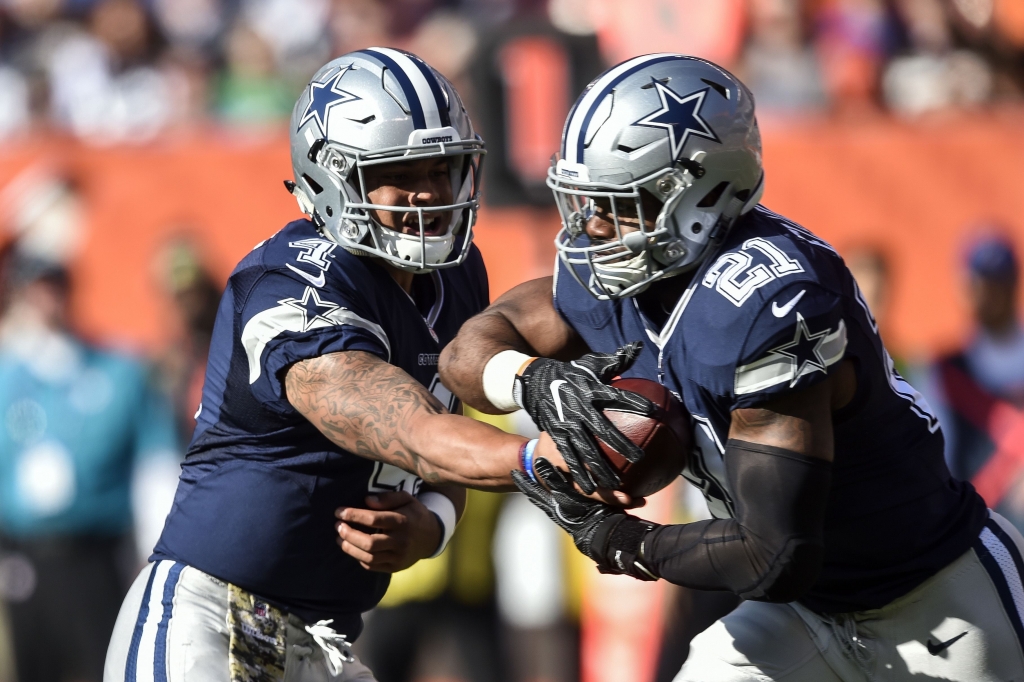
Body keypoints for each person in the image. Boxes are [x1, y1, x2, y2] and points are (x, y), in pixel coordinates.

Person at [439, 53, 1024, 681]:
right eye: (586, 202)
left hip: (932, 603)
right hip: (803, 612)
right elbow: (466, 351)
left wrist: (625, 542)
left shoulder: (767, 301)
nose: (594, 226)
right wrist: (529, 380)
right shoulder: (616, 275)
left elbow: (776, 551)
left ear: (702, 191)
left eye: (620, 202)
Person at [102, 48, 604, 682]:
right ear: (334, 180)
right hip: (211, 619)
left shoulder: (456, 273)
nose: (433, 193)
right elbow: (412, 431)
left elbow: (446, 440)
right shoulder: (292, 279)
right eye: (404, 173)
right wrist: (549, 460)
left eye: (444, 170)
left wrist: (436, 525)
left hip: (326, 642)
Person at [0, 248, 179, 682]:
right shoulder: (9, 377)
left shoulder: (118, 370)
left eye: (53, 287)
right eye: (35, 289)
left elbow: (155, 465)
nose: (46, 300)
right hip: (26, 558)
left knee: (103, 665)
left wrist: (160, 555)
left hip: (97, 554)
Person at [928, 235, 1024, 528]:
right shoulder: (946, 371)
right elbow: (942, 458)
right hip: (979, 530)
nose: (988, 294)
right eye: (980, 284)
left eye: (998, 283)